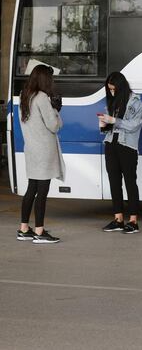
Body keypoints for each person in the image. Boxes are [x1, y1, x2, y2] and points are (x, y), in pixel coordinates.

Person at [17, 64, 64, 244]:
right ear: (45, 79)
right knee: (42, 192)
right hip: (44, 151)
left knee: (32, 189)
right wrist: (56, 111)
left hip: (31, 149)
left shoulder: (24, 96)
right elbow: (53, 125)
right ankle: (39, 232)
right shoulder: (42, 97)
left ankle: (23, 229)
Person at [98, 72, 142, 234]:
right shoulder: (113, 102)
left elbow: (134, 125)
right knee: (114, 182)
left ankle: (133, 221)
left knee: (130, 182)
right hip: (111, 144)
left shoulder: (136, 102)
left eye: (114, 89)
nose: (111, 93)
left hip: (127, 147)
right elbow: (108, 130)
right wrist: (103, 124)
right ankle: (118, 219)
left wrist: (114, 121)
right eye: (109, 90)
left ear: (121, 87)